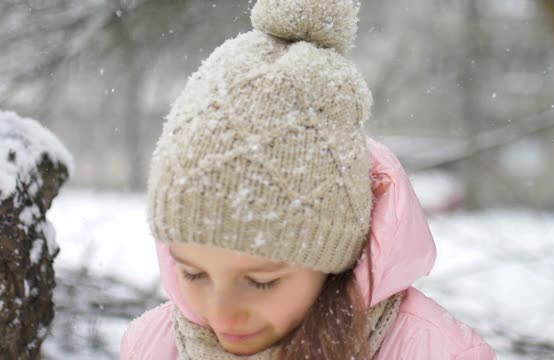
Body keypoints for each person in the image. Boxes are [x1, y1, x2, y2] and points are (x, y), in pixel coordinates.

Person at [120, 0, 497, 358]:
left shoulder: (439, 354)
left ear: (337, 259)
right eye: (193, 273)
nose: (221, 314)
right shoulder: (149, 348)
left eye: (261, 281)